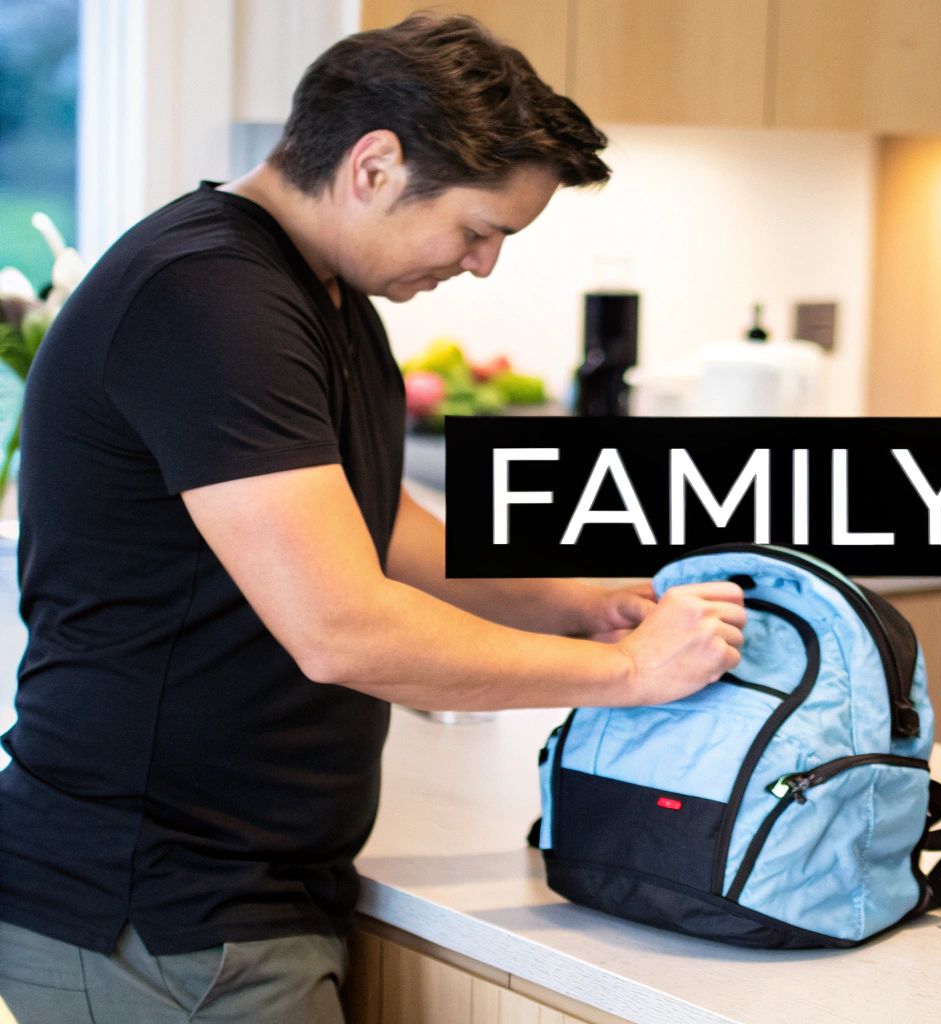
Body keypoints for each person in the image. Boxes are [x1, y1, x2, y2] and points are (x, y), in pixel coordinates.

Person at [0, 15, 746, 1022]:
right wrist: (627, 674)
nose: (482, 264)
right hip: (157, 909)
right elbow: (340, 627)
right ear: (374, 165)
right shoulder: (206, 296)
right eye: (479, 229)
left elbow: (376, 524)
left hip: (232, 891)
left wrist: (578, 604)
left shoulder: (322, 297)